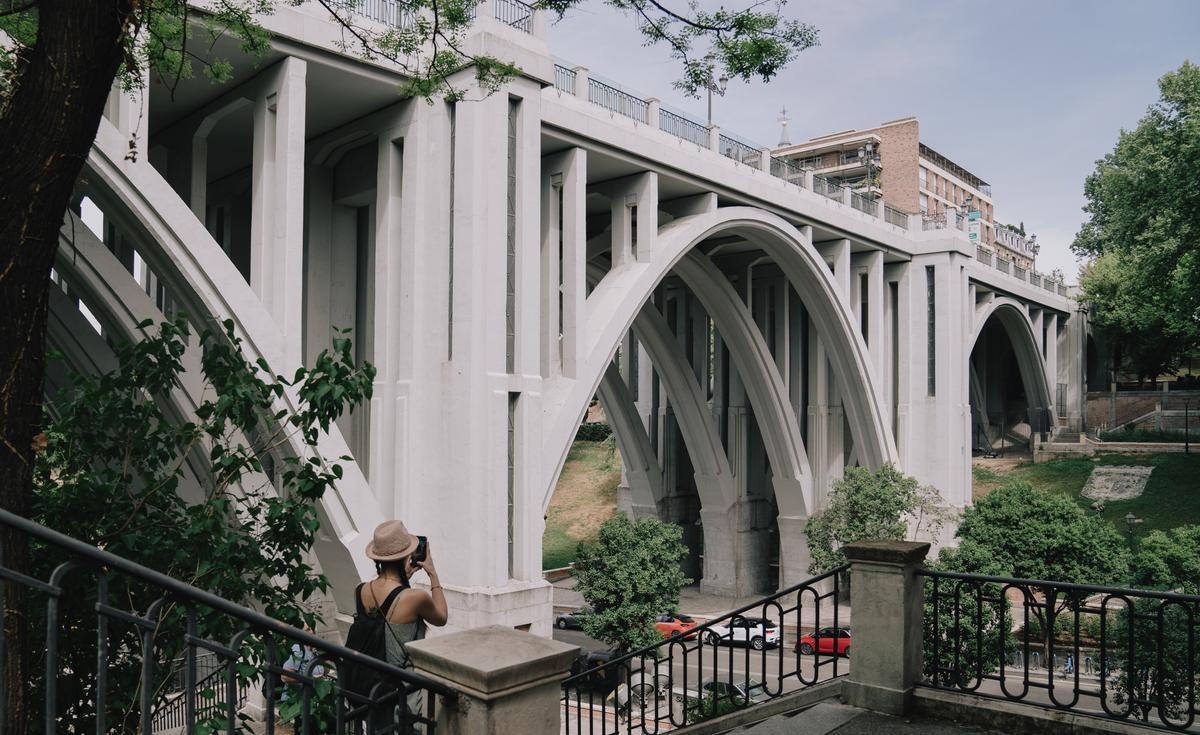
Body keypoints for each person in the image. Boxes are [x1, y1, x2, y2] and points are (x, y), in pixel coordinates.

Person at [357, 520, 448, 731]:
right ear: (408, 557)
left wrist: (402, 577)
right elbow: (441, 617)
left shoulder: (361, 590)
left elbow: (384, 612)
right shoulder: (414, 597)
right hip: (404, 690)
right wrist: (432, 573)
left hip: (373, 686)